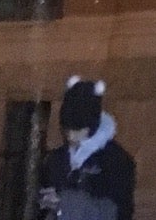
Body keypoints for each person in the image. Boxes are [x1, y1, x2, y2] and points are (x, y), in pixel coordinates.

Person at [39, 79, 135, 220]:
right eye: (67, 129)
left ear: (92, 127)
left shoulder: (116, 161)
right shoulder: (56, 159)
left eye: (78, 130)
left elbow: (117, 212)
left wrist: (63, 203)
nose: (71, 136)